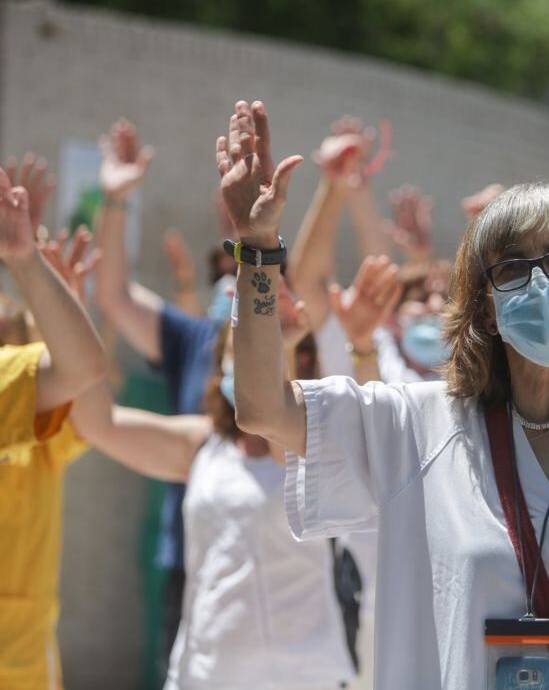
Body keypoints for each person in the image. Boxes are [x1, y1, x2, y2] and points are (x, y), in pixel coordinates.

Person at [220, 99, 549, 688]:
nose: (539, 281)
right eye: (512, 269)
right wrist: (256, 247)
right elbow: (262, 407)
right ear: (488, 310)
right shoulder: (416, 427)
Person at [70, 320, 357, 690]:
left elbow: (280, 428)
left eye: (267, 350)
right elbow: (99, 424)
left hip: (303, 677)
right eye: (241, 350)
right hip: (203, 675)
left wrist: (273, 349)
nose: (253, 361)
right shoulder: (204, 446)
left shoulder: (316, 444)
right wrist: (66, 325)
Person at [91, 119, 222, 677]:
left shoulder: (302, 351)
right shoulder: (197, 339)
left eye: (243, 266)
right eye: (222, 269)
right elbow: (114, 296)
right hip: (189, 563)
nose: (232, 281)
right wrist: (115, 201)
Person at [0, 164, 107, 690]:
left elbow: (81, 370)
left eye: (10, 341)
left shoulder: (18, 404)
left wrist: (30, 267)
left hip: (20, 665)